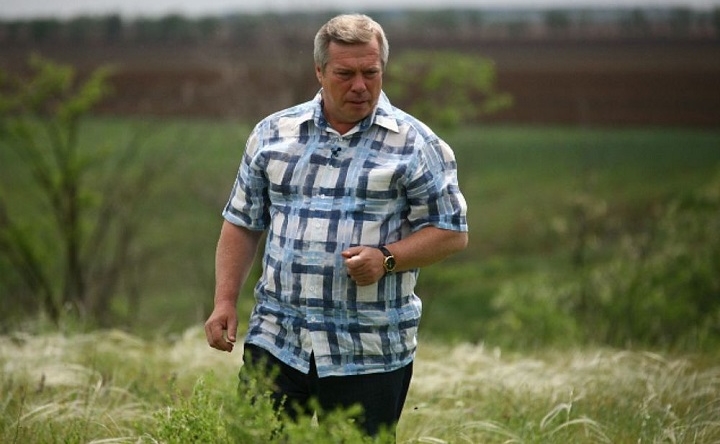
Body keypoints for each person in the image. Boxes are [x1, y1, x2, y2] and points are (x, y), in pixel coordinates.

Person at [204, 13, 468, 438]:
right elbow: (242, 223)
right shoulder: (273, 134)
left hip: (368, 350)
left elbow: (452, 232)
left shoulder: (416, 145)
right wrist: (224, 301)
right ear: (320, 71)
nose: (360, 85)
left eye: (371, 72)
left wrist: (387, 258)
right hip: (277, 339)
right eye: (345, 74)